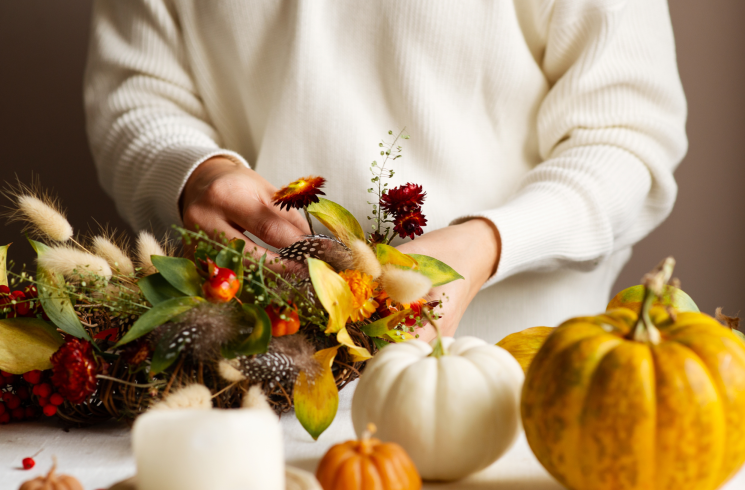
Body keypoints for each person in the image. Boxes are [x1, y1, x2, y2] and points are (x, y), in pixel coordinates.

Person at [85, 0, 686, 343]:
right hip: (249, 368)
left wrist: (483, 248)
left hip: (520, 379)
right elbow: (136, 94)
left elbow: (626, 139)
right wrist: (196, 173)